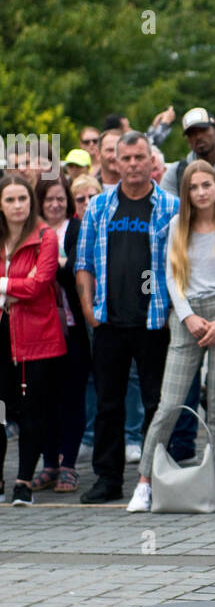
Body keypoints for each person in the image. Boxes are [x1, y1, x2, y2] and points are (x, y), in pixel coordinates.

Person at [126, 163, 215, 511]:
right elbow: (171, 278)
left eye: (206, 185)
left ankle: (213, 477)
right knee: (169, 404)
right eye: (193, 187)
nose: (201, 192)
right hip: (187, 316)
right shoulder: (177, 226)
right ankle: (145, 482)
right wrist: (188, 316)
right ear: (187, 192)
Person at [75, 132, 180, 503]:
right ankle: (108, 478)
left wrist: (172, 309)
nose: (134, 164)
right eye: (127, 158)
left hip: (155, 322)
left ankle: (154, 477)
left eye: (140, 158)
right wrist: (88, 308)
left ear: (152, 161)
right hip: (109, 321)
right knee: (108, 404)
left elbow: (182, 264)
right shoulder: (100, 207)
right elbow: (83, 262)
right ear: (114, 162)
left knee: (157, 404)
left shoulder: (171, 207)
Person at [0, 176, 67, 504]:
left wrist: (2, 286)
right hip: (2, 335)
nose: (17, 206)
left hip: (37, 339)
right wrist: (14, 285)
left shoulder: (45, 237)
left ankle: (23, 481)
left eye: (22, 199)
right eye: (9, 200)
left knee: (32, 412)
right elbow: (25, 286)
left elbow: (40, 285)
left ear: (32, 202)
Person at [31, 175, 91, 494]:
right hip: (37, 330)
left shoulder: (78, 229)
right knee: (43, 398)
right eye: (49, 199)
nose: (56, 205)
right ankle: (49, 463)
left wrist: (51, 266)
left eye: (61, 199)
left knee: (71, 396)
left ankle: (68, 465)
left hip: (72, 328)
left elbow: (81, 270)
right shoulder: (30, 233)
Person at [161, 109, 215, 196]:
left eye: (203, 130)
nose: (198, 137)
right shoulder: (176, 173)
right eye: (191, 133)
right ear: (187, 141)